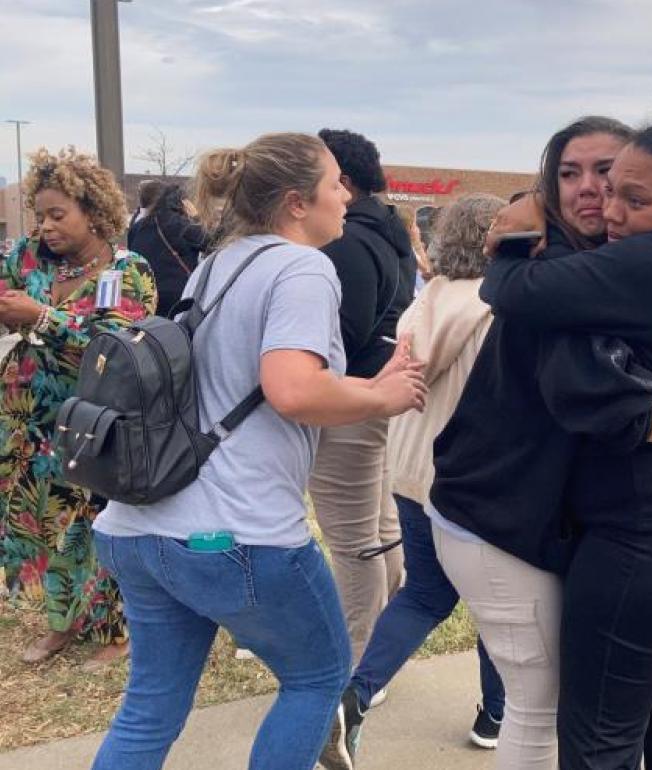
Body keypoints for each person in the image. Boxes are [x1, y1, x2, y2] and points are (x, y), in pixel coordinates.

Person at [426, 111, 652, 770]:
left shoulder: (613, 270)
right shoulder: (586, 278)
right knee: (613, 702)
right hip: (510, 517)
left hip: (641, 534)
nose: (596, 193)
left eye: (613, 178)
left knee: (606, 726)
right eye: (570, 174)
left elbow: (646, 388)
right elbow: (617, 405)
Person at [89, 132, 428, 770]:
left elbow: (242, 379)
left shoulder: (221, 262)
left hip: (141, 526)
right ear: (298, 203)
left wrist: (368, 385)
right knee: (318, 678)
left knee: (152, 702)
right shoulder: (301, 267)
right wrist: (382, 401)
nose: (346, 195)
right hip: (234, 535)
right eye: (335, 184)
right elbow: (292, 390)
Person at [320, 194, 508, 770]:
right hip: (475, 478)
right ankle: (495, 714)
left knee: (425, 594)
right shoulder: (499, 309)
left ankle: (354, 695)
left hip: (409, 472)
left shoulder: (423, 303)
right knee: (497, 603)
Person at [0, 147, 156, 671]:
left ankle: (116, 630)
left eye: (57, 214)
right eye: (40, 213)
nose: (44, 226)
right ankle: (61, 623)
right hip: (29, 416)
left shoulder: (127, 270)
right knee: (44, 522)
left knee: (98, 522)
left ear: (93, 211)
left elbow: (119, 340)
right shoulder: (26, 258)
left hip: (94, 419)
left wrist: (41, 317)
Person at [306, 128, 416, 669]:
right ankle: (380, 649)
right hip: (379, 398)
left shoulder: (348, 241)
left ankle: (355, 663)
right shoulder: (391, 231)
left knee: (354, 542)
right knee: (378, 529)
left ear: (343, 181)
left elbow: (341, 335)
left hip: (353, 402)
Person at [126, 182, 208, 318]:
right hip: (176, 297)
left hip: (145, 294)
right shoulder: (179, 224)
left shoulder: (137, 225)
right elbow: (209, 241)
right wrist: (196, 217)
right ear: (182, 202)